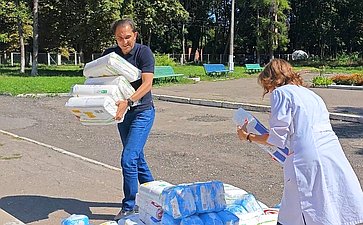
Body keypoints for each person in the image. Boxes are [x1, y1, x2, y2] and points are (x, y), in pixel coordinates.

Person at [237, 59, 363, 225]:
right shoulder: (311, 95)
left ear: (271, 79)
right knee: (328, 204)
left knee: (305, 208)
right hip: (331, 153)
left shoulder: (281, 93)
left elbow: (277, 138)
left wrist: (248, 136)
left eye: (267, 86)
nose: (268, 91)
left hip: (306, 159)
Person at [102, 18, 155, 220]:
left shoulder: (143, 52)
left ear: (135, 35)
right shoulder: (110, 55)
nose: (124, 42)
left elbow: (147, 84)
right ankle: (157, 195)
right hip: (122, 115)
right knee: (137, 159)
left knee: (128, 159)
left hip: (142, 111)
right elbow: (100, 80)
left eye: (127, 37)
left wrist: (128, 101)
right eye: (119, 38)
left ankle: (130, 205)